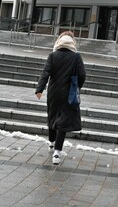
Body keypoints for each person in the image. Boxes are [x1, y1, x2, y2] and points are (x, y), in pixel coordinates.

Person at [35, 31, 86, 165]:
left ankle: (51, 142)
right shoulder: (76, 57)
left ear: (59, 41)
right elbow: (82, 75)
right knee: (63, 122)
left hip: (53, 92)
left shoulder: (52, 55)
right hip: (68, 93)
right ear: (72, 42)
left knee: (52, 116)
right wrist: (77, 87)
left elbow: (45, 73)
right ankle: (57, 153)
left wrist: (39, 89)